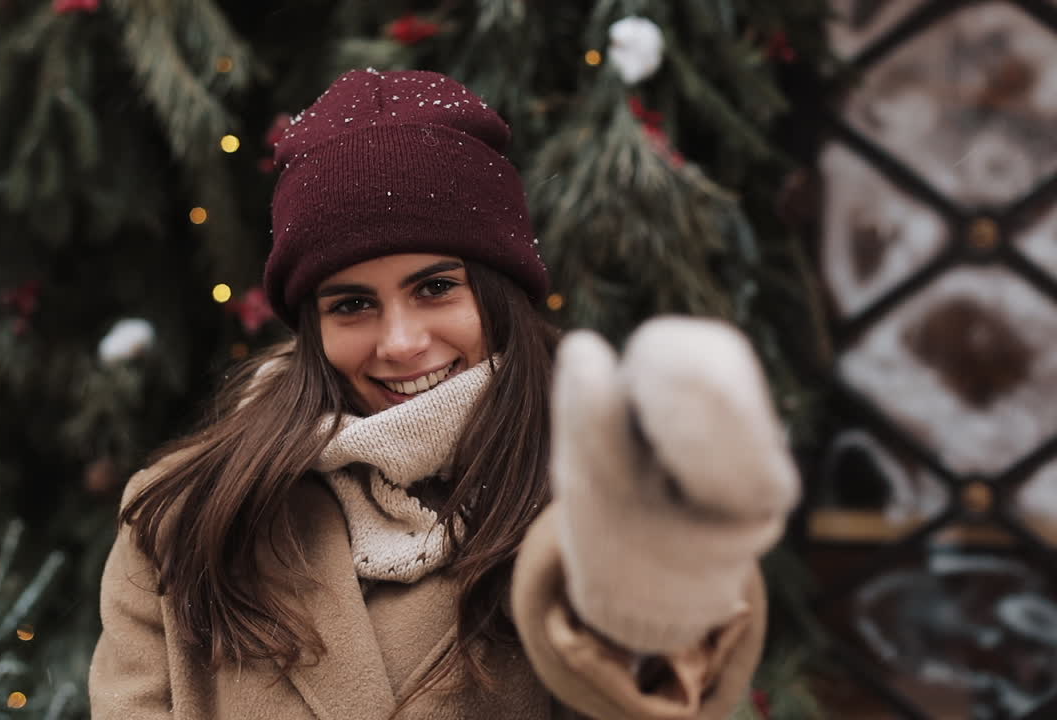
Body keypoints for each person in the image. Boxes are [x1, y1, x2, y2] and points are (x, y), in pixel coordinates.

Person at [88, 69, 799, 720]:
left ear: (499, 293)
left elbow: (672, 690)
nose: (400, 342)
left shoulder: (601, 487)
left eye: (435, 288)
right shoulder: (188, 518)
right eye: (351, 305)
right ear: (314, 328)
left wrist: (651, 600)